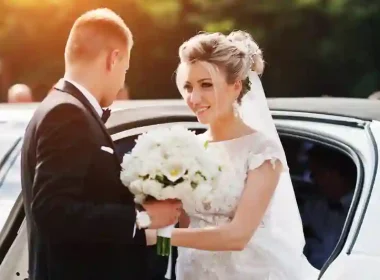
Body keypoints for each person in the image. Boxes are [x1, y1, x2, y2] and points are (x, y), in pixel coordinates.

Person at [20, 8, 181, 280]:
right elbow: (52, 210)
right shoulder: (67, 114)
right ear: (113, 59)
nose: (122, 83)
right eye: (125, 70)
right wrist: (142, 217)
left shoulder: (61, 107)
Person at [147, 31, 319, 279]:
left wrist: (160, 236)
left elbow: (238, 236)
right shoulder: (186, 149)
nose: (194, 98)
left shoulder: (262, 151)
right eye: (188, 87)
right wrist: (157, 234)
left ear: (236, 86)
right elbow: (182, 227)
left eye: (206, 85)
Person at [302, 145, 356, 269]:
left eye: (316, 174)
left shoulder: (365, 211)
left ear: (335, 174)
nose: (313, 180)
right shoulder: (314, 208)